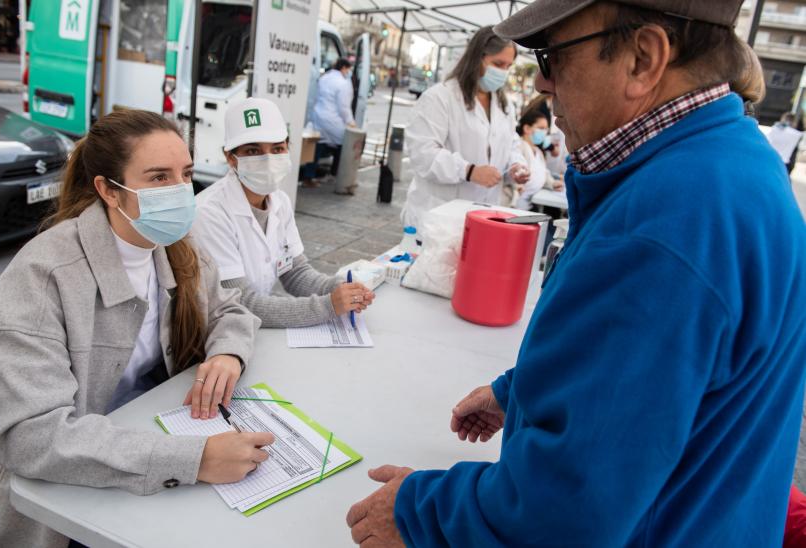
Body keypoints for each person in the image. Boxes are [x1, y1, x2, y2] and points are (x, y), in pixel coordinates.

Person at [346, 1, 806, 546]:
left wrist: (421, 513)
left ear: (643, 59)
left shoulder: (664, 224)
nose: (541, 81)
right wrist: (521, 391)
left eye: (553, 55)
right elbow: (663, 379)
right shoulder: (734, 164)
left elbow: (567, 509)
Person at [0, 110, 272, 548]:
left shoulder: (174, 247)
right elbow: (30, 437)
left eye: (186, 174)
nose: (179, 190)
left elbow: (229, 309)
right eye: (158, 177)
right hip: (68, 504)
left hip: (149, 455)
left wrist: (227, 354)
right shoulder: (43, 277)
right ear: (108, 190)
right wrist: (194, 458)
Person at [193, 97, 374, 328]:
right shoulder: (209, 214)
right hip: (214, 337)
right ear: (230, 157)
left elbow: (294, 272)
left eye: (277, 148)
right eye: (253, 150)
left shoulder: (280, 202)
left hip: (250, 331)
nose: (268, 160)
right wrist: (329, 306)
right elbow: (242, 303)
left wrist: (338, 287)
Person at [401, 26, 530, 232]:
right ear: (477, 57)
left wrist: (516, 164)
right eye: (498, 64)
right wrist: (469, 171)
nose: (503, 72)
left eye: (508, 66)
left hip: (483, 215)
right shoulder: (439, 98)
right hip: (438, 217)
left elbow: (509, 143)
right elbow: (422, 154)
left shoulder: (504, 105)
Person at [302, 58, 356, 187]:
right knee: (345, 144)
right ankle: (336, 175)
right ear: (343, 68)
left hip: (318, 117)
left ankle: (308, 177)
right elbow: (343, 107)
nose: (348, 72)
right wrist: (351, 122)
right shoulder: (343, 83)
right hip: (333, 119)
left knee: (318, 146)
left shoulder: (325, 78)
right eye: (348, 69)